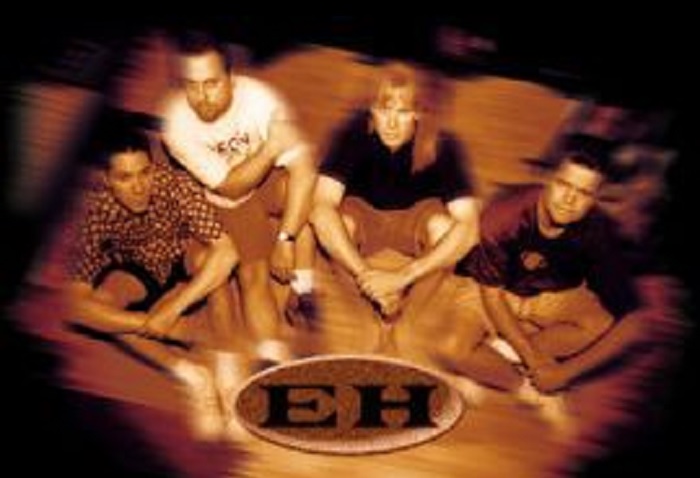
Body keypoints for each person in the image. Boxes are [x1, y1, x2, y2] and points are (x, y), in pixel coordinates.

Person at [437, 137, 664, 434]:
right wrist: (537, 366)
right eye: (564, 184)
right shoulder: (505, 213)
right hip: (488, 289)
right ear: (547, 180)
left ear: (595, 199)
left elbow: (636, 322)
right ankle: (526, 386)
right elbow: (491, 297)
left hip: (546, 293)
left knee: (601, 323)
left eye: (583, 192)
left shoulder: (597, 228)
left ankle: (497, 360)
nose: (569, 199)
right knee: (451, 348)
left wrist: (565, 374)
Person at [64, 124, 241, 441]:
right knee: (101, 307)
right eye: (124, 178)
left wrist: (172, 310)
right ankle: (192, 376)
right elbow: (77, 307)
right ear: (106, 179)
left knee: (212, 262)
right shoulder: (96, 209)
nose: (139, 187)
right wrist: (157, 326)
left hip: (182, 255)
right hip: (138, 271)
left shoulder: (176, 185)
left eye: (144, 173)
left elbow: (227, 253)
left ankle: (229, 378)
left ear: (154, 167)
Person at [160, 30, 319, 370]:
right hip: (230, 199)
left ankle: (304, 290)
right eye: (191, 85)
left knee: (312, 200)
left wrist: (286, 238)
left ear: (232, 78)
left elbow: (304, 170)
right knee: (254, 275)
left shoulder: (261, 98)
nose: (202, 97)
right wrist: (271, 147)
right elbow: (230, 188)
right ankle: (271, 359)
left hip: (267, 179)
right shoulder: (175, 126)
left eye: (211, 83)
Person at [310, 60, 480, 353]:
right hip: (364, 213)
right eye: (383, 109)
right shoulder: (353, 131)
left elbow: (469, 228)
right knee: (339, 225)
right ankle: (366, 319)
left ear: (418, 112)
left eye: (402, 112)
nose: (390, 123)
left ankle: (406, 320)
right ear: (371, 109)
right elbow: (321, 205)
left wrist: (403, 278)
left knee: (445, 229)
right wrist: (367, 277)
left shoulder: (443, 143)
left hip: (416, 217)